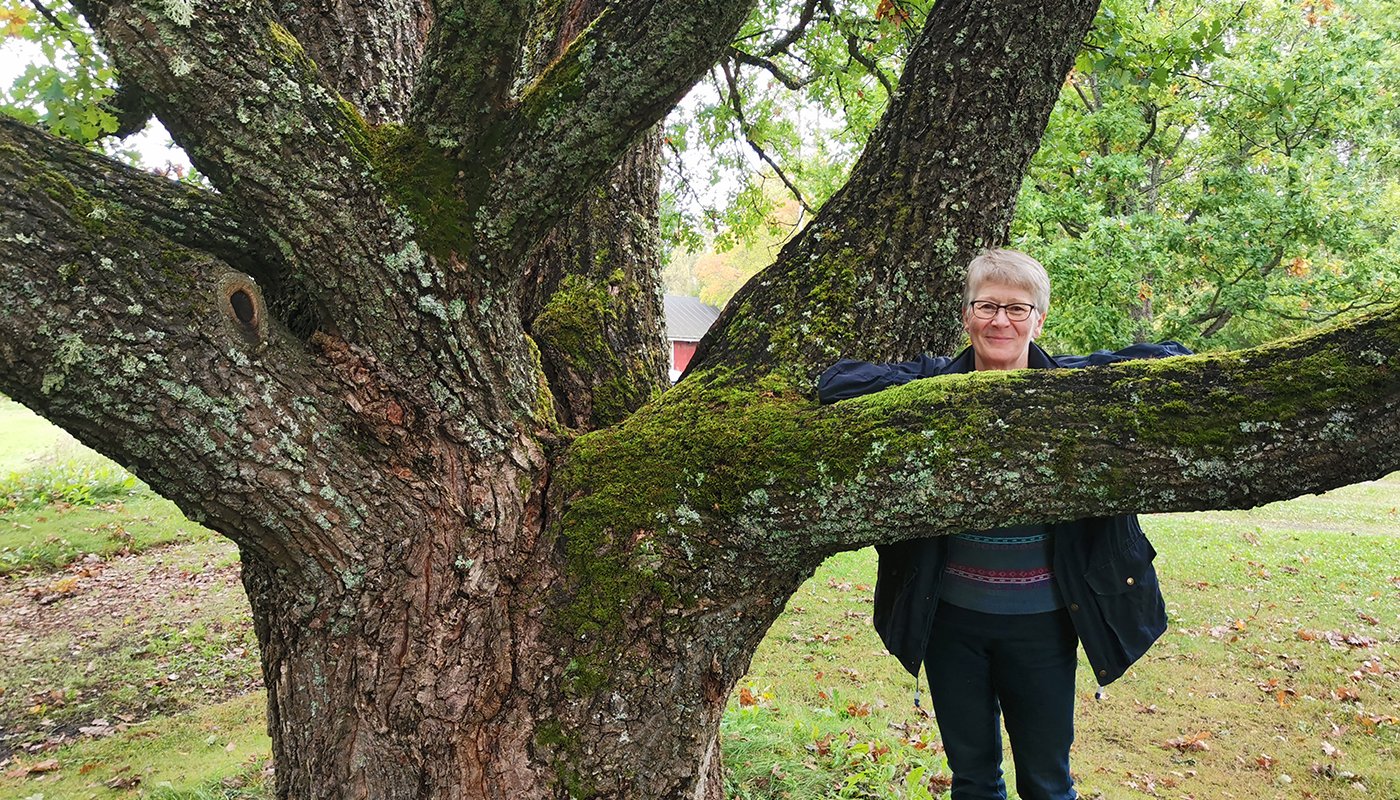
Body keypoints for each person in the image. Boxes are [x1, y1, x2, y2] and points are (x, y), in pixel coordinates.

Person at [817, 249, 1189, 800]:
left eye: (1017, 309)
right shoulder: (933, 381)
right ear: (966, 315)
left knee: (1046, 780)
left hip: (1044, 624)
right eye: (986, 306)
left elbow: (1173, 357)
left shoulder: (1067, 386)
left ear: (1039, 320)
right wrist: (935, 399)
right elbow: (836, 384)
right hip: (950, 624)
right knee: (973, 780)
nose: (1000, 322)